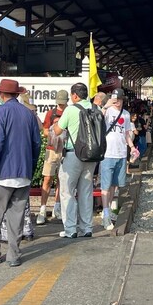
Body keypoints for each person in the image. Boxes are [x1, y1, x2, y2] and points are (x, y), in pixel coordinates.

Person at [0, 79, 41, 267]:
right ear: (17, 94)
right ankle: (14, 255)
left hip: (4, 172)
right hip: (23, 173)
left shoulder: (1, 111)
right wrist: (30, 166)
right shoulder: (28, 114)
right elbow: (36, 144)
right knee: (17, 217)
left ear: (1, 94)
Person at [54, 82, 96, 239]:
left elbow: (58, 130)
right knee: (86, 191)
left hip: (73, 154)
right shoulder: (95, 109)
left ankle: (71, 229)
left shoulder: (70, 109)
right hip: (91, 155)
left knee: (68, 192)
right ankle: (87, 227)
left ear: (75, 95)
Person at [100, 88, 133, 230]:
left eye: (119, 99)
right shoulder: (107, 112)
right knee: (105, 186)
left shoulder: (126, 114)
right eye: (115, 99)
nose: (117, 102)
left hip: (121, 153)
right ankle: (106, 214)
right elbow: (98, 118)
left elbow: (126, 133)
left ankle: (108, 210)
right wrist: (105, 106)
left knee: (114, 185)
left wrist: (132, 147)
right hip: (108, 153)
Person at [37, 90, 68, 225]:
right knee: (47, 178)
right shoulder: (51, 113)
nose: (60, 105)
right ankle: (42, 209)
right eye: (59, 103)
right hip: (52, 149)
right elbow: (44, 130)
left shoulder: (69, 112)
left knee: (62, 180)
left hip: (65, 149)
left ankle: (57, 207)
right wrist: (52, 133)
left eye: (62, 103)